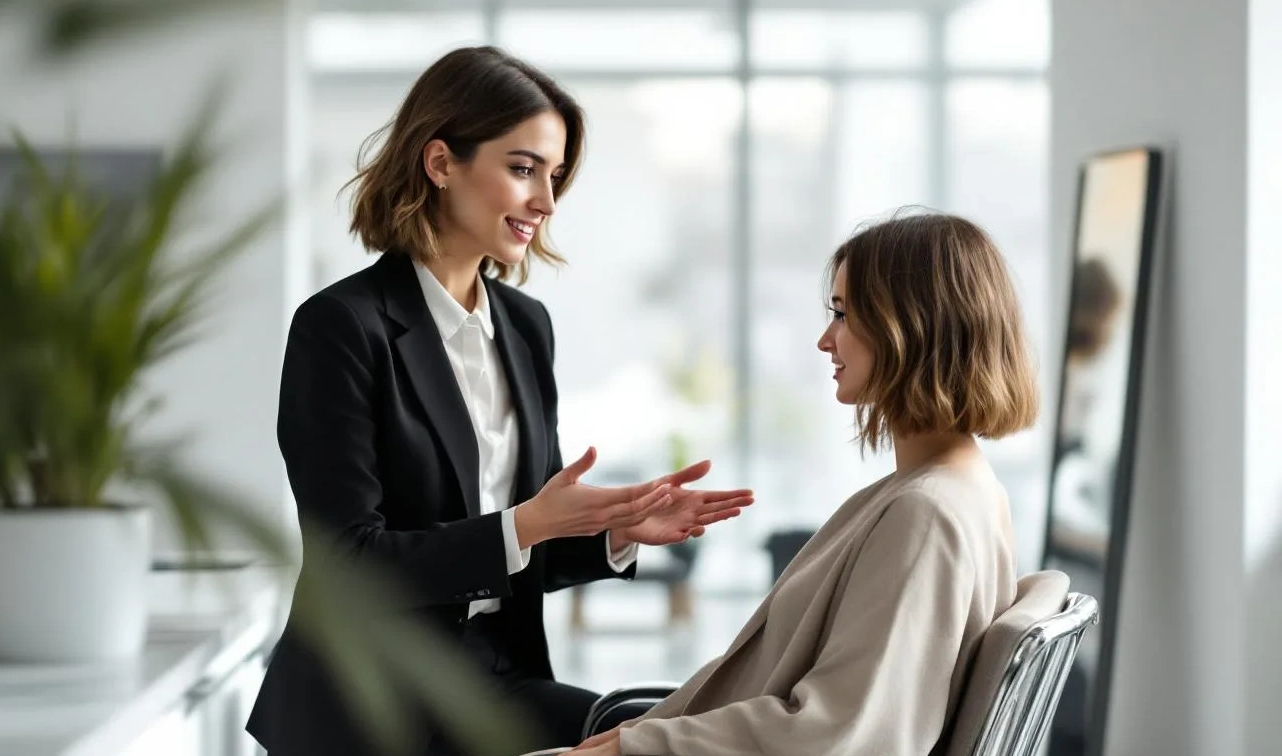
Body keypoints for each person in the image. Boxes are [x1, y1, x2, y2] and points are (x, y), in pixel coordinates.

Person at [246, 46, 754, 756]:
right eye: (523, 170)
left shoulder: (523, 327)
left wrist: (617, 532)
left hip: (494, 682)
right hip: (367, 704)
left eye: (554, 175)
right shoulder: (343, 327)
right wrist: (524, 525)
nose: (546, 201)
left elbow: (522, 547)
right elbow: (351, 563)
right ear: (440, 162)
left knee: (677, 739)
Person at [570, 211, 1040, 756]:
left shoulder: (925, 512)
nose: (824, 340)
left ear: (910, 325)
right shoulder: (960, 490)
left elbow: (840, 734)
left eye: (842, 314)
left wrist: (630, 748)